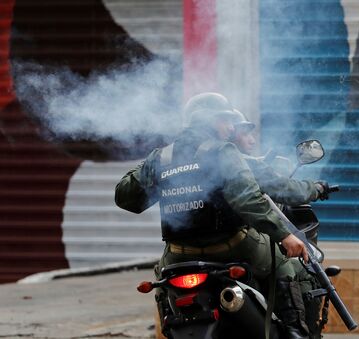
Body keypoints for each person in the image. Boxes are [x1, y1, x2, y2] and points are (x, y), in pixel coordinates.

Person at [114, 92, 311, 339]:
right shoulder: (222, 151)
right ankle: (295, 332)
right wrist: (284, 235)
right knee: (285, 264)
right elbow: (248, 199)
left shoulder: (162, 156)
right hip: (232, 247)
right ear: (208, 121)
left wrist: (148, 168)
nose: (231, 128)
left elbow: (125, 198)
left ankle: (169, 325)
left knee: (161, 277)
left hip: (179, 254)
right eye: (225, 121)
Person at [230, 109, 330, 206]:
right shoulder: (243, 164)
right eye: (244, 134)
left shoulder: (222, 159)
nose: (252, 141)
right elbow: (282, 187)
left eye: (250, 134)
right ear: (230, 136)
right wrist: (315, 189)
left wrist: (264, 162)